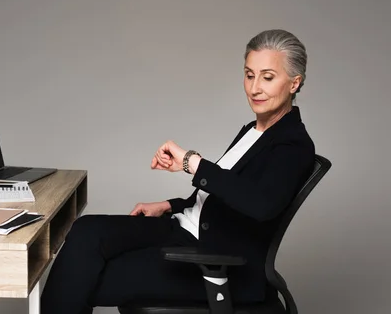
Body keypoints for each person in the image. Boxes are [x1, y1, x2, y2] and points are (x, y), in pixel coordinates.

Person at [40, 29, 316, 313]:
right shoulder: (253, 131)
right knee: (85, 230)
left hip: (213, 261)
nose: (254, 87)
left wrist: (192, 162)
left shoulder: (293, 144)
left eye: (267, 77)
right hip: (181, 228)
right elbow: (223, 197)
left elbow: (261, 204)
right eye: (249, 75)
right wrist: (169, 204)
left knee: (83, 278)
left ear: (294, 83)